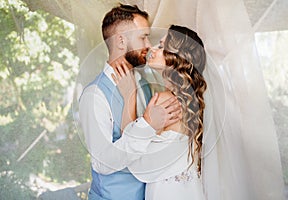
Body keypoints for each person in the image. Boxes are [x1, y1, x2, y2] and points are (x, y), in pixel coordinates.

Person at [79, 4, 181, 200]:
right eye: (143, 37)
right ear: (121, 41)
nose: (149, 45)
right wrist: (146, 126)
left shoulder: (145, 85)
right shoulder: (94, 95)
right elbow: (103, 164)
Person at [113, 25, 207, 200]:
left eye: (162, 46)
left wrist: (129, 96)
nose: (153, 49)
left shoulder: (165, 99)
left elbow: (134, 159)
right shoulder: (191, 102)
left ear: (177, 57)